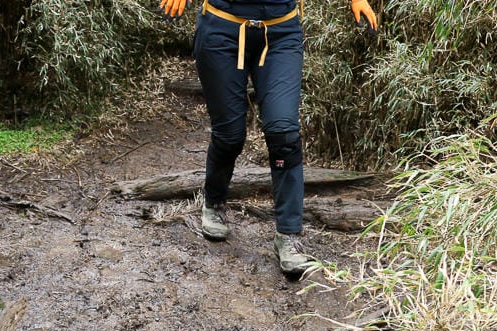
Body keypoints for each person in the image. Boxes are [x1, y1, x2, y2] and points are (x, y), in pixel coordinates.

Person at [159, 0, 378, 278]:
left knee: (283, 132)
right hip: (221, 29)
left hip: (280, 34)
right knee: (229, 134)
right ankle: (214, 202)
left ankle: (288, 235)